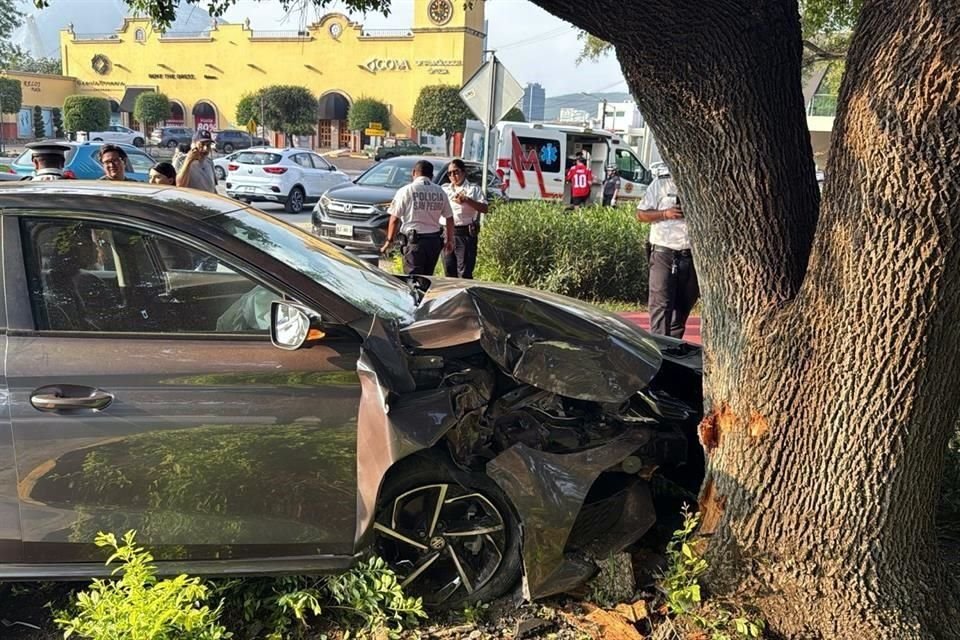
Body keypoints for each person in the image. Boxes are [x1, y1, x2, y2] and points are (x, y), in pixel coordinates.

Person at [635, 166, 699, 339]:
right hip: (664, 253)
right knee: (661, 307)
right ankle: (660, 352)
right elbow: (640, 214)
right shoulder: (662, 183)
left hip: (692, 254)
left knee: (681, 310)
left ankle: (674, 351)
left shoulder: (703, 184)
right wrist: (665, 213)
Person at [379, 160, 454, 275]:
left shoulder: (406, 191)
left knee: (413, 280)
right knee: (427, 278)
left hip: (414, 243)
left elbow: (394, 219)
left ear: (413, 173)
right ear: (432, 175)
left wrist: (389, 241)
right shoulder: (440, 191)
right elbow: (449, 218)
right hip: (434, 242)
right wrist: (449, 240)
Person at [441, 159, 488, 279]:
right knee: (449, 270)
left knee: (464, 272)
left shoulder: (473, 189)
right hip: (447, 233)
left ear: (463, 172)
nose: (453, 176)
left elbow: (484, 208)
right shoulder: (444, 189)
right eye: (450, 173)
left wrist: (467, 200)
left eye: (456, 172)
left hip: (465, 234)